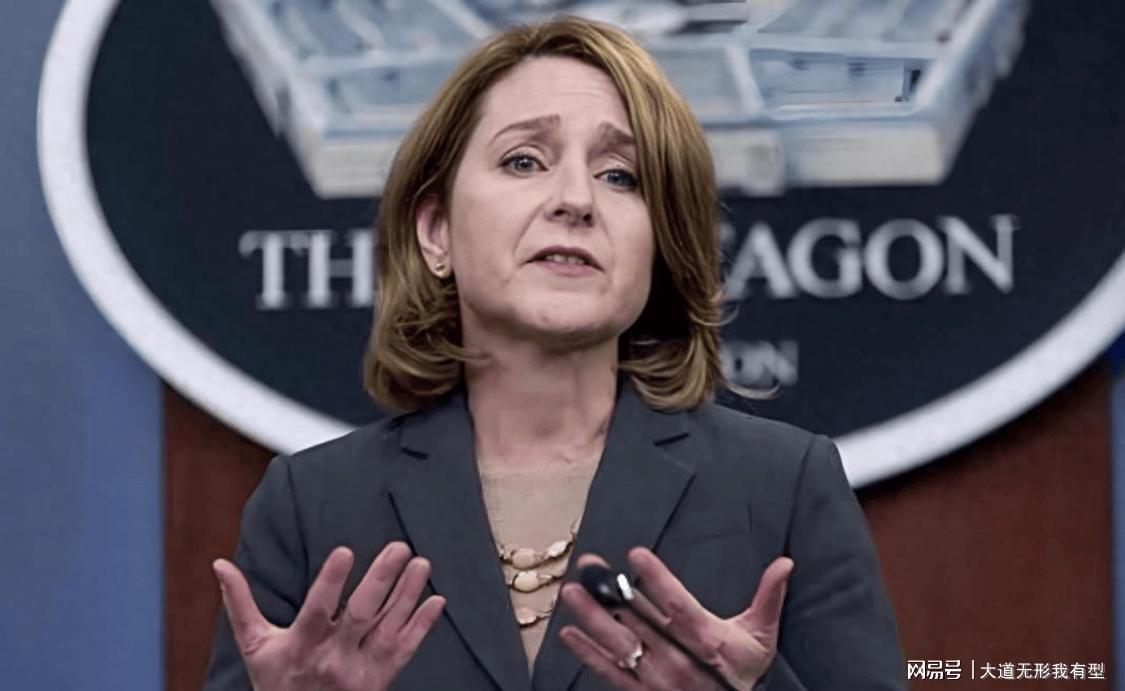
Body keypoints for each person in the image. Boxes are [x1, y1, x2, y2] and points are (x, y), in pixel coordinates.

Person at [205, 15, 906, 691]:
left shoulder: (781, 486)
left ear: (660, 245)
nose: (575, 199)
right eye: (524, 161)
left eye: (621, 176)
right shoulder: (310, 507)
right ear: (436, 231)